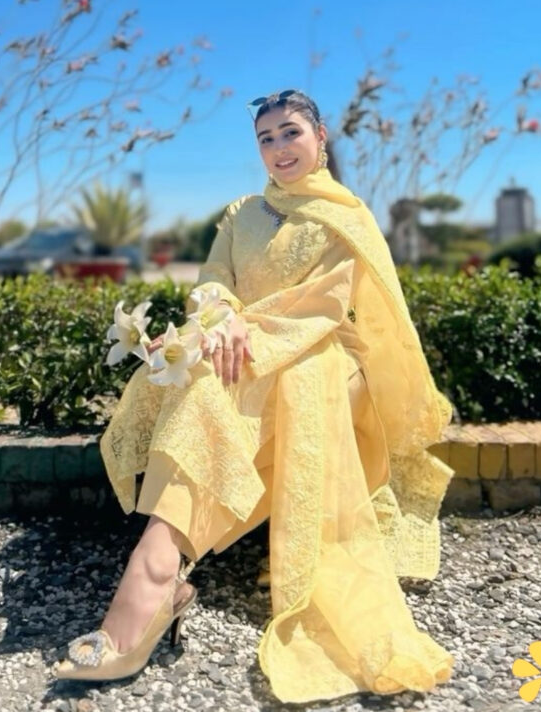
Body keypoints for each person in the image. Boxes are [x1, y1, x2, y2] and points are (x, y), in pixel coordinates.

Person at [54, 89, 457, 704]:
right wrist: (221, 316)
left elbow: (324, 305)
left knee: (226, 384)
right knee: (207, 383)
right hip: (238, 346)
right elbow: (213, 280)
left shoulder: (346, 216)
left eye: (289, 132)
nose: (278, 148)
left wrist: (250, 334)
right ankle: (163, 571)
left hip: (323, 357)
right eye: (265, 139)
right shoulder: (242, 211)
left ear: (320, 138)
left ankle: (152, 578)